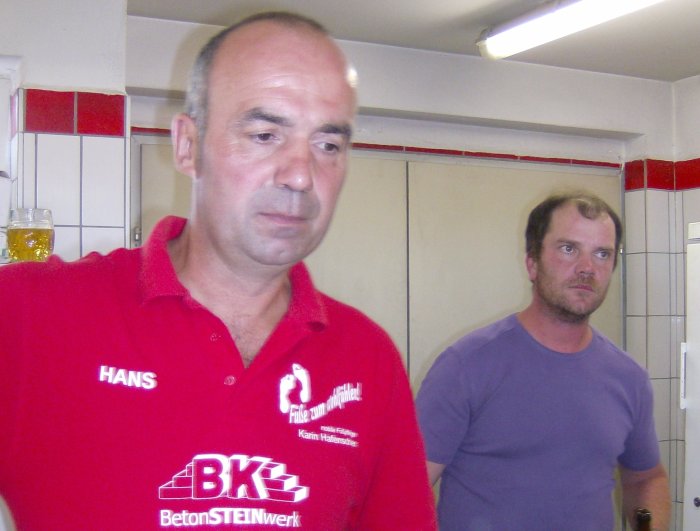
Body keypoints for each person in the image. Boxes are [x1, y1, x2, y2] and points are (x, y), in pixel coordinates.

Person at [0, 12, 436, 530]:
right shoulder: (29, 316)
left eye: (328, 145)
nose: (301, 175)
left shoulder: (367, 358)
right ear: (188, 146)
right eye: (264, 134)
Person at [416, 192, 670, 530]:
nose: (587, 268)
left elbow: (645, 478)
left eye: (602, 253)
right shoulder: (466, 367)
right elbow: (403, 489)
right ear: (532, 263)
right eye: (568, 249)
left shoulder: (629, 378)